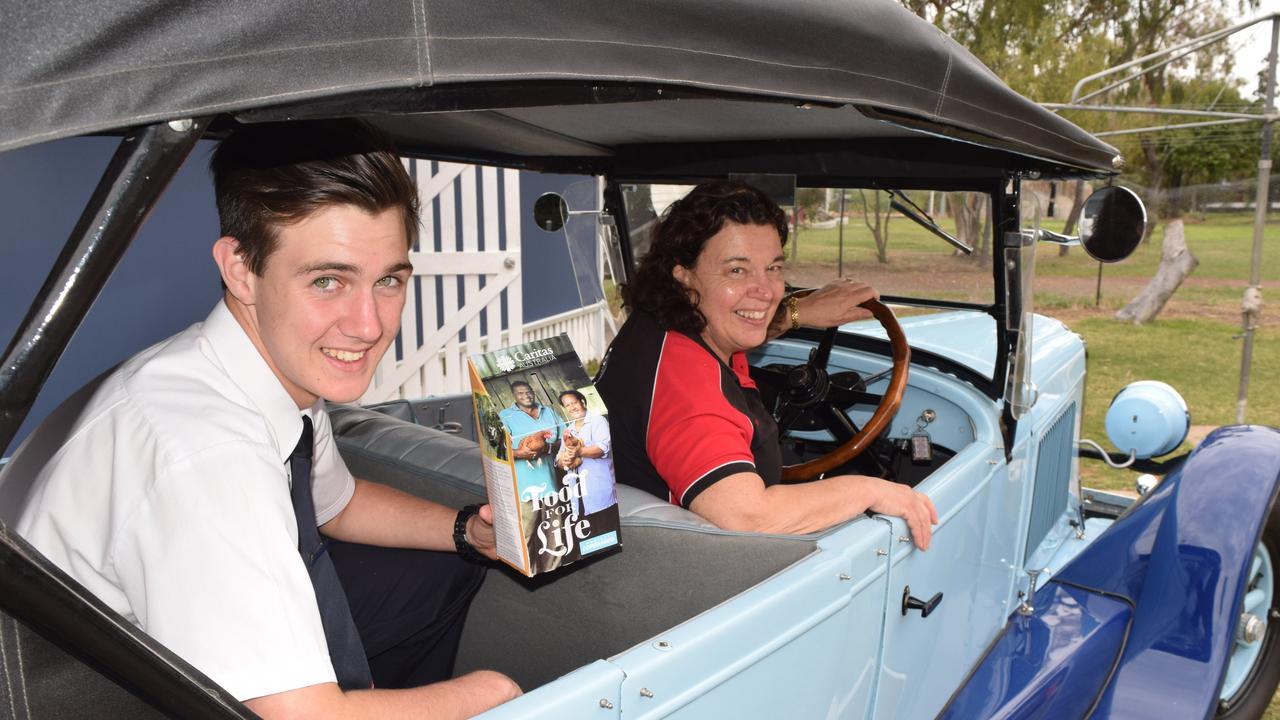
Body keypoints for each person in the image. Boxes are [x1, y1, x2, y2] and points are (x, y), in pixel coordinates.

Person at [10, 120, 519, 718]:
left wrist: (467, 530)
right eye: (327, 281)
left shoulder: (263, 367)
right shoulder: (205, 455)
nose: (369, 324)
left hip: (138, 640)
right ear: (240, 269)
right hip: (81, 690)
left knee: (443, 573)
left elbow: (337, 505)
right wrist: (494, 693)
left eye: (387, 280)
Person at [595, 180, 938, 547]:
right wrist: (873, 490)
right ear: (683, 276)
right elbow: (747, 515)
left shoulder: (661, 325)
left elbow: (736, 323)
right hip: (706, 569)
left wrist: (796, 311)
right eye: (737, 271)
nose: (766, 290)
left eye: (773, 268)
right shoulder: (689, 389)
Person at [555, 389, 618, 521]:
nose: (572, 407)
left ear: (582, 401)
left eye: (574, 402)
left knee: (607, 526)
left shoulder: (597, 421)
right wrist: (564, 460)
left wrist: (579, 451)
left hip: (599, 489)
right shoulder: (568, 430)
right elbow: (559, 460)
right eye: (568, 405)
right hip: (579, 493)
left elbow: (602, 448)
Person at [499, 380, 562, 501]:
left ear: (533, 392)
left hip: (552, 480)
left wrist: (547, 448)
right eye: (520, 393)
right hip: (524, 485)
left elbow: (565, 439)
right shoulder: (505, 416)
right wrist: (519, 453)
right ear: (514, 395)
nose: (526, 396)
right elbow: (497, 450)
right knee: (528, 519)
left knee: (554, 518)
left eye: (528, 392)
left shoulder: (549, 411)